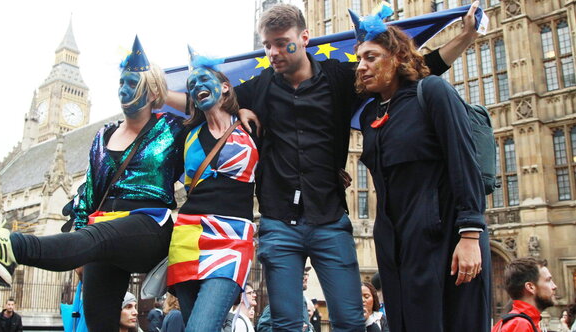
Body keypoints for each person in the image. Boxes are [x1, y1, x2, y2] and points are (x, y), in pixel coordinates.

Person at [167, 3, 479, 331]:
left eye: (281, 42)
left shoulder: (339, 78)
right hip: (278, 222)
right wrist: (155, 91)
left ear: (304, 38)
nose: (273, 52)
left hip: (329, 219)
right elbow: (207, 100)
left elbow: (415, 70)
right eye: (266, 45)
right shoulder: (259, 88)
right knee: (286, 324)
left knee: (348, 320)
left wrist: (466, 35)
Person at [0, 36, 185, 332]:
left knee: (97, 238)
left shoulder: (171, 129)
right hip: (101, 228)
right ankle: (8, 255)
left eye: (132, 84)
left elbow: (205, 107)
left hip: (148, 225)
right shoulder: (103, 136)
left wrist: (163, 93)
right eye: (121, 83)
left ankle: (9, 246)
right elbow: (88, 194)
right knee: (98, 321)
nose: (123, 90)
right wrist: (78, 250)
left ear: (151, 93)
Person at [353, 3, 491, 331]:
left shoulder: (432, 92)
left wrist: (470, 233)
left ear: (398, 58)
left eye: (370, 57)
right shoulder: (369, 116)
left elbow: (464, 162)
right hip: (399, 248)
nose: (361, 66)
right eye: (359, 58)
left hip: (445, 240)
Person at [166, 55, 258, 332]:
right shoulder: (186, 135)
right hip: (188, 237)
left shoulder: (251, 125)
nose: (197, 87)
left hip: (233, 238)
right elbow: (159, 178)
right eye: (192, 85)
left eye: (204, 80)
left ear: (226, 87)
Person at [492, 257, 557, 332]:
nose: (554, 286)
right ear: (530, 287)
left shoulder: (524, 322)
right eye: (548, 280)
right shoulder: (520, 324)